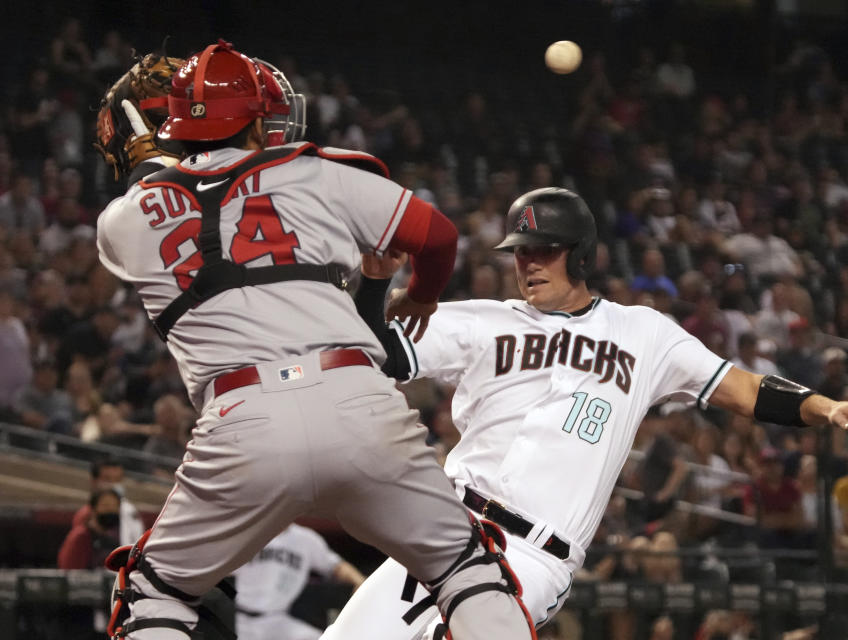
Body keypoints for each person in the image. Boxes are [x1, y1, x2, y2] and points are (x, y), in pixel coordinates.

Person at [324, 187, 848, 638]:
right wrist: (376, 283)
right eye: (520, 253)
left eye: (543, 251)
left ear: (580, 255)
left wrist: (825, 406)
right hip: (446, 528)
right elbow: (368, 351)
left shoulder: (643, 333)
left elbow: (743, 388)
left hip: (531, 556)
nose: (527, 264)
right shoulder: (484, 320)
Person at [95, 41, 534, 640]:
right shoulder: (314, 171)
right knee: (464, 570)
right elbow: (437, 236)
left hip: (240, 420)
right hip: (356, 398)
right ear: (253, 119)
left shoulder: (122, 221)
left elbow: (164, 195)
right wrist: (424, 296)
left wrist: (155, 157)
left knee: (155, 594)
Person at [232, 524, 364, 640]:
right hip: (247, 621)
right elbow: (216, 567)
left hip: (279, 618)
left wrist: (363, 585)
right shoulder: (247, 535)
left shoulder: (305, 539)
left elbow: (337, 566)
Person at [71, 457, 144, 546]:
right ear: (94, 481)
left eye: (118, 480)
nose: (114, 484)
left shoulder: (130, 510)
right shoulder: (84, 514)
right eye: (107, 479)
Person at [58, 487, 122, 569]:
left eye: (115, 506)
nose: (111, 510)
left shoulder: (112, 538)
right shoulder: (80, 536)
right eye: (105, 505)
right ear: (93, 509)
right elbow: (70, 571)